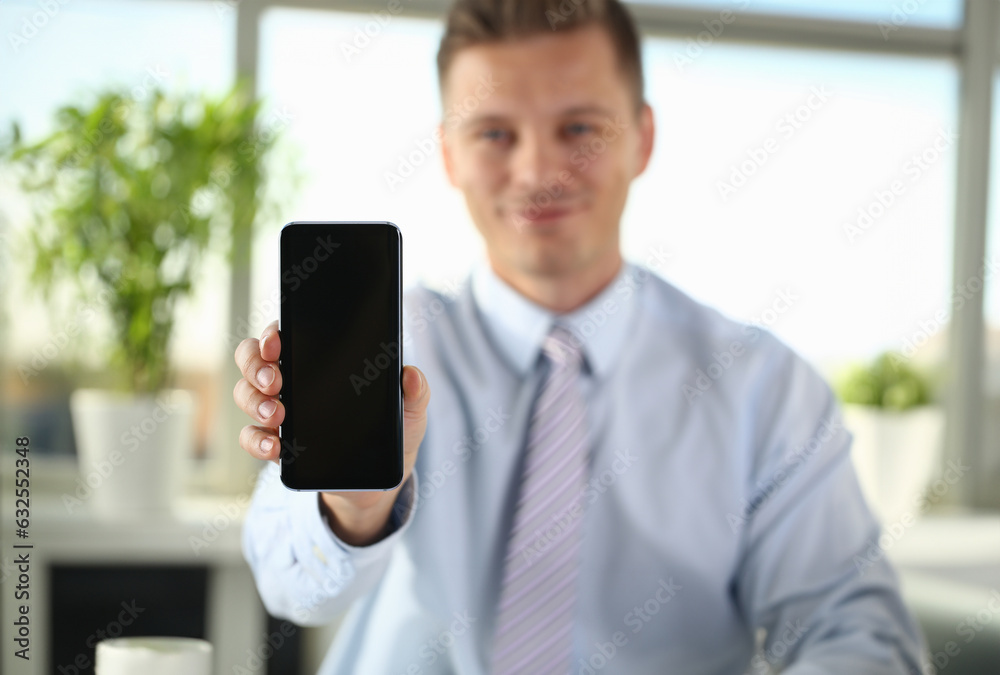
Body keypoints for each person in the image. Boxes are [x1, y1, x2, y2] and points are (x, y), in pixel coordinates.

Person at [234, 0, 926, 672]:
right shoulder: (389, 345)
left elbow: (859, 633)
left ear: (644, 138)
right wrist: (353, 505)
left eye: (579, 128)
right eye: (495, 133)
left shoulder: (764, 389)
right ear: (449, 154)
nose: (537, 172)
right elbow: (289, 584)